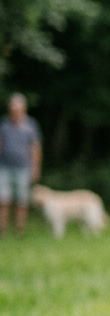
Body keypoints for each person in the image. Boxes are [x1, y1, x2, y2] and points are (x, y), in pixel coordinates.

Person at [0, 93, 43, 237]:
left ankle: (19, 231)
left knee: (21, 201)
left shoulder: (31, 125)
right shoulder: (4, 125)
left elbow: (35, 148)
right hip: (4, 167)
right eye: (12, 107)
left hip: (24, 168)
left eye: (17, 107)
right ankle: (3, 231)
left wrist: (35, 168)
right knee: (3, 200)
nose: (14, 110)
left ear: (23, 108)